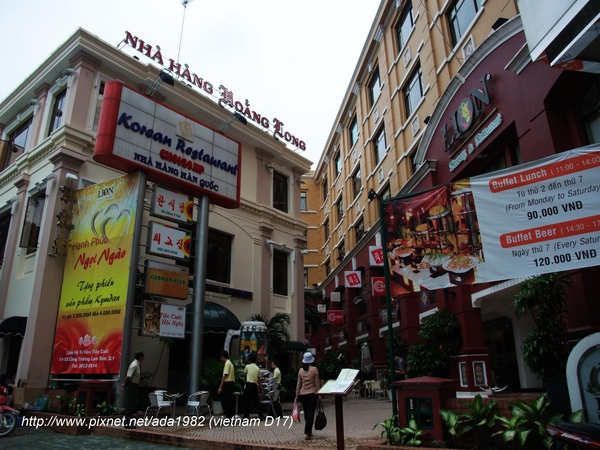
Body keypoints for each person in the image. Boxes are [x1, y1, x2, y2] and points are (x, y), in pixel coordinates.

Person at [296, 351, 321, 440]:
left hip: (303, 395)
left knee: (307, 413)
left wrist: (297, 395)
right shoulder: (314, 369)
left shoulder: (300, 370)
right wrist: (319, 393)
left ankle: (309, 431)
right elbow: (317, 383)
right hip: (312, 394)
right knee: (310, 414)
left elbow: (299, 384)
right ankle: (307, 433)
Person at [121, 350, 144, 429]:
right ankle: (127, 423)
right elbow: (128, 376)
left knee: (132, 404)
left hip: (134, 386)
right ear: (140, 357)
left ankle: (130, 421)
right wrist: (125, 384)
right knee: (129, 404)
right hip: (130, 385)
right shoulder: (134, 365)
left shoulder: (137, 364)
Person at [242, 353, 265, 420]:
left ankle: (246, 416)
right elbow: (259, 381)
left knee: (246, 401)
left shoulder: (247, 367)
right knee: (255, 401)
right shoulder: (257, 369)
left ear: (249, 360)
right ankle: (261, 415)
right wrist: (262, 390)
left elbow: (245, 375)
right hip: (254, 386)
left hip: (248, 384)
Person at [217, 350, 236, 419]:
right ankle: (229, 416)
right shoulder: (230, 363)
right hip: (231, 383)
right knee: (228, 400)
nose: (221, 359)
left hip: (227, 383)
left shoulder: (227, 364)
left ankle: (229, 416)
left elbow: (224, 376)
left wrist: (220, 387)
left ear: (223, 357)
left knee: (225, 400)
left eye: (221, 357)